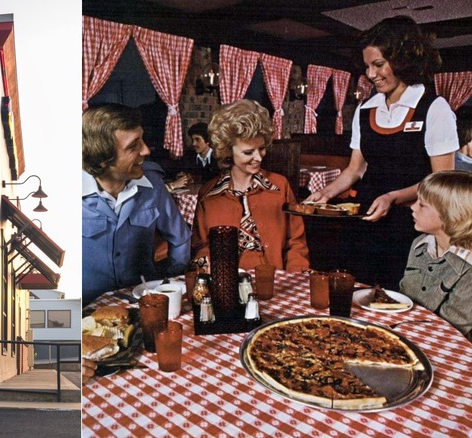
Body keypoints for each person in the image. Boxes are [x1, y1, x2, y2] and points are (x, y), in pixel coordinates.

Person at [304, 16, 458, 289]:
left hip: (409, 224)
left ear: (402, 61)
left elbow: (442, 180)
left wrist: (393, 197)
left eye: (378, 65)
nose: (371, 75)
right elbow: (355, 169)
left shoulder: (434, 108)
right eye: (367, 67)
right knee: (356, 292)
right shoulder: (366, 109)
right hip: (364, 220)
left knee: (398, 297)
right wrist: (326, 193)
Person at [82, 104, 191, 306]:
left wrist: (169, 280)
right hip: (87, 313)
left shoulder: (153, 186)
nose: (146, 150)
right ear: (103, 158)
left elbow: (181, 239)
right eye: (133, 146)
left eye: (142, 140)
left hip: (144, 304)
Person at [191, 99, 310, 272]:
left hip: (273, 284)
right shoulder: (209, 194)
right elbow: (201, 246)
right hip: (226, 285)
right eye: (248, 152)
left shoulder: (280, 186)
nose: (259, 158)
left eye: (261, 148)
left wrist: (295, 279)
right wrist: (205, 264)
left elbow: (296, 243)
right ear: (227, 151)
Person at [400, 171, 472, 341]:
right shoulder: (420, 245)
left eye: (422, 204)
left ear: (452, 214)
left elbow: (453, 331)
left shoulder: (468, 267)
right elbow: (404, 302)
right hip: (412, 334)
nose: (413, 207)